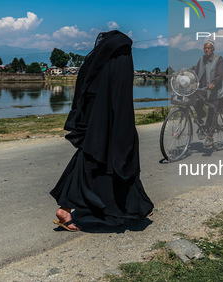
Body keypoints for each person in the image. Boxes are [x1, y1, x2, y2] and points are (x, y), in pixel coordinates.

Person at [50, 30, 153, 231]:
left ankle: (136, 206)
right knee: (114, 158)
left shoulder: (98, 67)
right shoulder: (120, 62)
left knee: (95, 160)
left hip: (96, 126)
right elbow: (121, 101)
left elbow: (87, 97)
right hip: (110, 125)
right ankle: (67, 209)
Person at [194, 39, 223, 148]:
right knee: (196, 104)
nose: (206, 50)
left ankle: (210, 136)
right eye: (205, 48)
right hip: (202, 90)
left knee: (213, 111)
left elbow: (219, 75)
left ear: (213, 49)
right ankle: (202, 116)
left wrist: (214, 84)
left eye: (208, 48)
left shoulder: (218, 59)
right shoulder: (201, 59)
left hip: (214, 91)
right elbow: (196, 72)